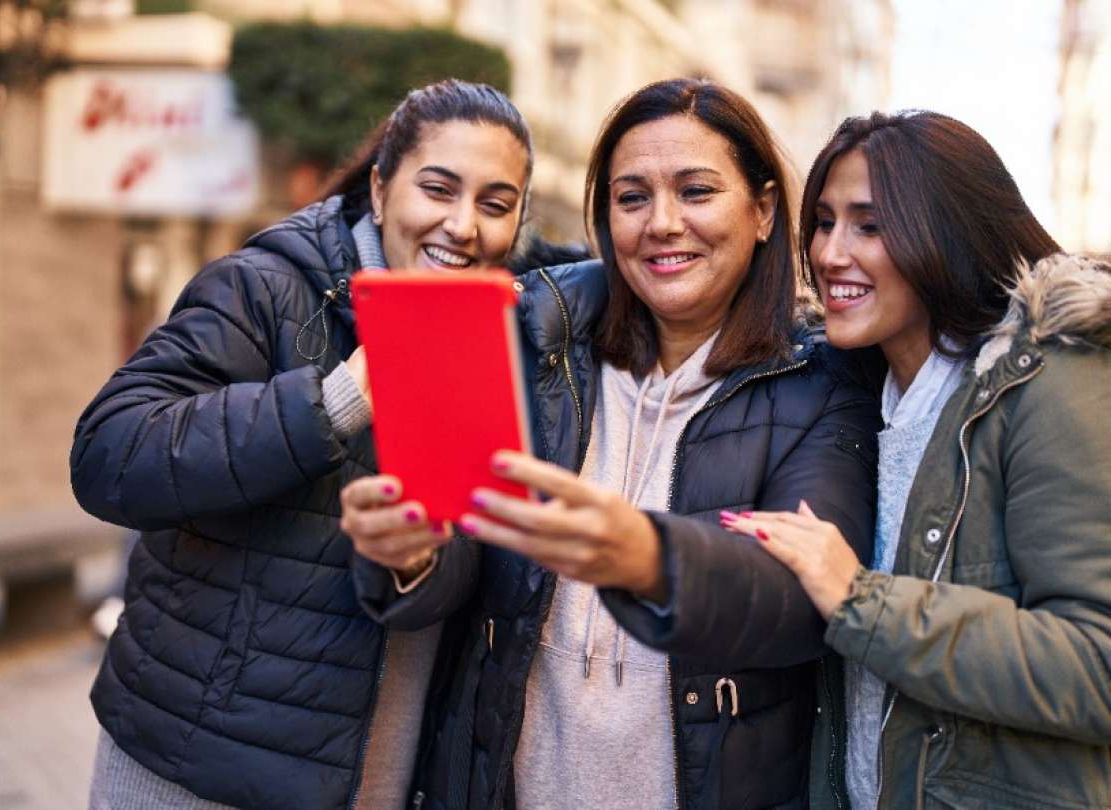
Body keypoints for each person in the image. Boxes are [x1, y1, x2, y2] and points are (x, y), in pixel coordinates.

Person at [342, 78, 882, 809]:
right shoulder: (537, 342)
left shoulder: (824, 382)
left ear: (760, 211)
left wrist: (647, 555)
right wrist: (410, 557)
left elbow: (799, 603)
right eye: (631, 198)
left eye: (695, 191)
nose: (661, 223)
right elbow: (463, 562)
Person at [70, 79, 534, 810]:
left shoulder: (490, 336)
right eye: (438, 189)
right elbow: (109, 455)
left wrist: (415, 563)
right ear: (380, 191)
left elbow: (456, 569)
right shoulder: (263, 289)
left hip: (367, 775)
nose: (463, 226)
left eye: (496, 204)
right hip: (192, 768)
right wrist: (337, 400)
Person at [721, 111, 1111, 809]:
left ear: (949, 234)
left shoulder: (1049, 385)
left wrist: (859, 600)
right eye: (825, 221)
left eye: (871, 226)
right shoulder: (852, 394)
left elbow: (1096, 665)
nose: (833, 253)